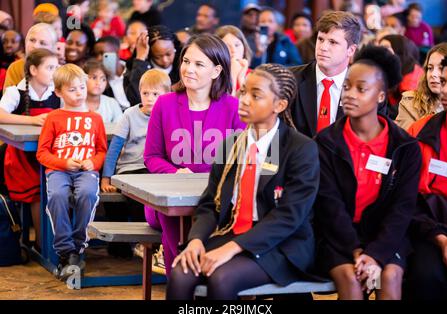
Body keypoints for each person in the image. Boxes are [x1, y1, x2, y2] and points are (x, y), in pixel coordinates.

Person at [166, 63, 319, 300]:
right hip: (232, 232)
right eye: (243, 92)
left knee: (222, 277)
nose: (245, 100)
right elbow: (209, 206)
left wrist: (231, 249)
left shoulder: (300, 148)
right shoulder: (231, 145)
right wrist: (196, 240)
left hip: (280, 245)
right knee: (180, 272)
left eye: (255, 95)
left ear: (279, 105)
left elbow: (289, 216)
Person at [314, 46, 421, 300]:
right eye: (347, 86)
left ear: (381, 96)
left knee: (390, 276)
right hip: (336, 236)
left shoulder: (404, 146)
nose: (349, 95)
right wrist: (355, 250)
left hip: (385, 235)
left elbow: (403, 208)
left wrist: (375, 253)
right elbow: (330, 206)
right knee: (351, 278)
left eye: (361, 89)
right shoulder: (325, 142)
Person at [143, 34, 246, 276]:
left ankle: (208, 280)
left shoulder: (233, 106)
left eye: (199, 64)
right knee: (173, 215)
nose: (188, 69)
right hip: (169, 197)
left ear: (216, 71)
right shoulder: (165, 104)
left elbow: (240, 159)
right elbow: (152, 157)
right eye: (186, 61)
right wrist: (176, 172)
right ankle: (179, 278)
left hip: (216, 198)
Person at [36, 63, 107, 280]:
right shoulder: (53, 118)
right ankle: (65, 250)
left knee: (86, 194)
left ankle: (77, 248)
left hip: (86, 171)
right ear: (58, 92)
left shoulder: (96, 118)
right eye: (72, 89)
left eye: (81, 88)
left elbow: (102, 150)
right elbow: (42, 153)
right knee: (57, 196)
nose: (79, 93)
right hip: (59, 170)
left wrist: (92, 162)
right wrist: (64, 163)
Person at [101, 69, 170, 260]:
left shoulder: (167, 115)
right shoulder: (130, 115)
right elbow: (114, 149)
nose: (150, 98)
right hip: (130, 169)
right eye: (145, 93)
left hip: (155, 170)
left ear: (167, 95)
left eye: (156, 94)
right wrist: (106, 178)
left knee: (151, 200)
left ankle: (150, 244)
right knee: (129, 201)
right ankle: (122, 247)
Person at [0, 49, 60, 250]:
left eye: (56, 67)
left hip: (49, 155)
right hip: (21, 159)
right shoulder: (15, 92)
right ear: (33, 70)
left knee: (59, 187)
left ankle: (61, 244)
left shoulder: (57, 92)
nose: (55, 71)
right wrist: (31, 120)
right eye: (50, 67)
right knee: (39, 191)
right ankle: (44, 246)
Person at [404, 53, 447, 300]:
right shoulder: (419, 130)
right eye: (443, 82)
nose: (446, 90)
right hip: (429, 229)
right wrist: (442, 240)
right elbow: (408, 197)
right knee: (426, 277)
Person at [290, 11, 361, 138]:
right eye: (321, 39)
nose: (323, 47)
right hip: (296, 157)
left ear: (351, 50)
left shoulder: (365, 89)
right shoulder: (290, 80)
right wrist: (272, 158)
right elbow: (270, 129)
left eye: (332, 42)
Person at [396, 42, 447, 130]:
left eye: (441, 68)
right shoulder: (410, 102)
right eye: (430, 68)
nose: (433, 74)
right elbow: (406, 140)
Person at [124, 25, 181, 106]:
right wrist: (140, 59)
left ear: (175, 48)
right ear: (150, 53)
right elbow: (135, 100)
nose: (165, 60)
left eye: (168, 54)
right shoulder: (137, 66)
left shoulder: (182, 65)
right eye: (158, 56)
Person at [3, 23, 57, 94]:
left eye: (42, 43)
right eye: (32, 40)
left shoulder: (59, 71)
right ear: (25, 42)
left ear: (52, 49)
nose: (35, 46)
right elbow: (7, 100)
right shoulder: (15, 68)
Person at [379, 34, 424, 113]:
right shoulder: (390, 68)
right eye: (379, 48)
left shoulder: (413, 73)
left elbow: (407, 108)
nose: (380, 52)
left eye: (386, 48)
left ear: (398, 49)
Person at [92, 36, 130, 110]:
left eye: (103, 53)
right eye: (96, 55)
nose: (99, 58)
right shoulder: (99, 79)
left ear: (117, 52)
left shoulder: (132, 71)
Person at [215, 25, 252, 96]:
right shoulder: (214, 75)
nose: (233, 50)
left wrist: (241, 78)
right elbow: (228, 106)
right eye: (227, 46)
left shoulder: (253, 75)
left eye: (237, 45)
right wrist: (233, 76)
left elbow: (246, 104)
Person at [83, 59, 122, 123]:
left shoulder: (112, 103)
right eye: (94, 78)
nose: (98, 83)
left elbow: (120, 128)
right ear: (83, 78)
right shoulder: (74, 101)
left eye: (103, 79)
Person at [0, 30, 24, 96]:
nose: (8, 45)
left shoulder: (23, 63)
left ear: (20, 44)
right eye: (5, 42)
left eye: (13, 42)